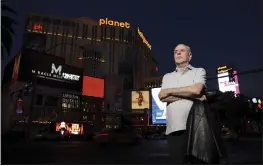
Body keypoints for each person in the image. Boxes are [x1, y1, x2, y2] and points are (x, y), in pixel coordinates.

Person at [158, 44, 207, 164]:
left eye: (182, 51)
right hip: (174, 128)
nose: (178, 53)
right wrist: (192, 95)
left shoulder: (198, 71)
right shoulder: (167, 76)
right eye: (175, 51)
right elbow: (162, 97)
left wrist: (169, 90)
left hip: (197, 127)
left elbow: (197, 90)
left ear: (190, 56)